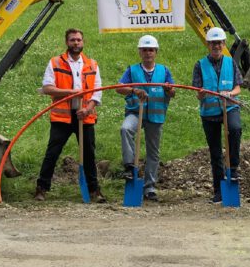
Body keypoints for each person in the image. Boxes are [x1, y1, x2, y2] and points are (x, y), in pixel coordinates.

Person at [34, 28, 105, 203]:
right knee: (52, 153)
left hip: (85, 116)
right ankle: (41, 189)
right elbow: (47, 88)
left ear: (83, 42)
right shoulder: (55, 62)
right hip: (62, 117)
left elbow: (97, 92)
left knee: (89, 154)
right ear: (67, 42)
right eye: (72, 40)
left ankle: (94, 190)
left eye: (79, 40)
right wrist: (70, 92)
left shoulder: (92, 64)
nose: (76, 43)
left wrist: (88, 109)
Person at [115, 34, 176, 202]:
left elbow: (173, 92)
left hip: (156, 115)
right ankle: (129, 166)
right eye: (145, 50)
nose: (148, 53)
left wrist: (169, 90)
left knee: (153, 152)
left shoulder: (164, 71)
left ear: (155, 52)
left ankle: (149, 187)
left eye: (151, 50)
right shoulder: (132, 70)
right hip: (135, 112)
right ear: (140, 52)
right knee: (125, 129)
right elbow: (119, 88)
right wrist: (134, 90)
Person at [192, 27, 243, 204]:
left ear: (224, 44)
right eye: (213, 43)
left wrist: (231, 93)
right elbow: (197, 92)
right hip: (209, 112)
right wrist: (202, 93)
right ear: (208, 45)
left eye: (219, 43)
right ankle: (218, 190)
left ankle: (233, 169)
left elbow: (238, 86)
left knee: (235, 130)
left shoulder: (231, 63)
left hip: (229, 108)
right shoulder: (200, 65)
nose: (216, 46)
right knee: (215, 151)